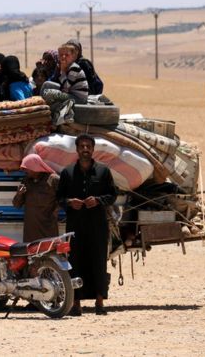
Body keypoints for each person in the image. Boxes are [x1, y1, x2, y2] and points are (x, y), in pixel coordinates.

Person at [56, 134, 117, 316]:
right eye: (81, 146)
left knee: (98, 261)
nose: (85, 149)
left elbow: (112, 195)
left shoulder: (103, 172)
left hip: (98, 225)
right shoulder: (67, 173)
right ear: (76, 149)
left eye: (88, 146)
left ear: (92, 149)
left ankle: (100, 302)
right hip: (76, 226)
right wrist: (69, 202)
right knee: (75, 262)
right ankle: (76, 304)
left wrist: (98, 200)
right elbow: (59, 198)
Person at [12, 154, 60, 242]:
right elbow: (16, 205)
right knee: (31, 253)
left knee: (49, 253)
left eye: (27, 168)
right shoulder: (26, 181)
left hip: (47, 226)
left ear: (35, 167)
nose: (24, 171)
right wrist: (19, 194)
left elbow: (64, 198)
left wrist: (55, 212)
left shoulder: (53, 179)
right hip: (31, 229)